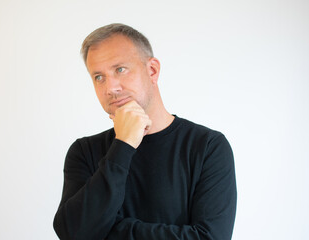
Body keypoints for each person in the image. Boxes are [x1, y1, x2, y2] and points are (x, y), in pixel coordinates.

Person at [53, 23, 237, 240]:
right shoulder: (84, 152)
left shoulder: (207, 147)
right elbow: (72, 234)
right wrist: (123, 145)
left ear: (152, 71)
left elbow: (211, 238)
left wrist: (108, 231)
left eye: (120, 69)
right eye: (99, 77)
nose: (110, 88)